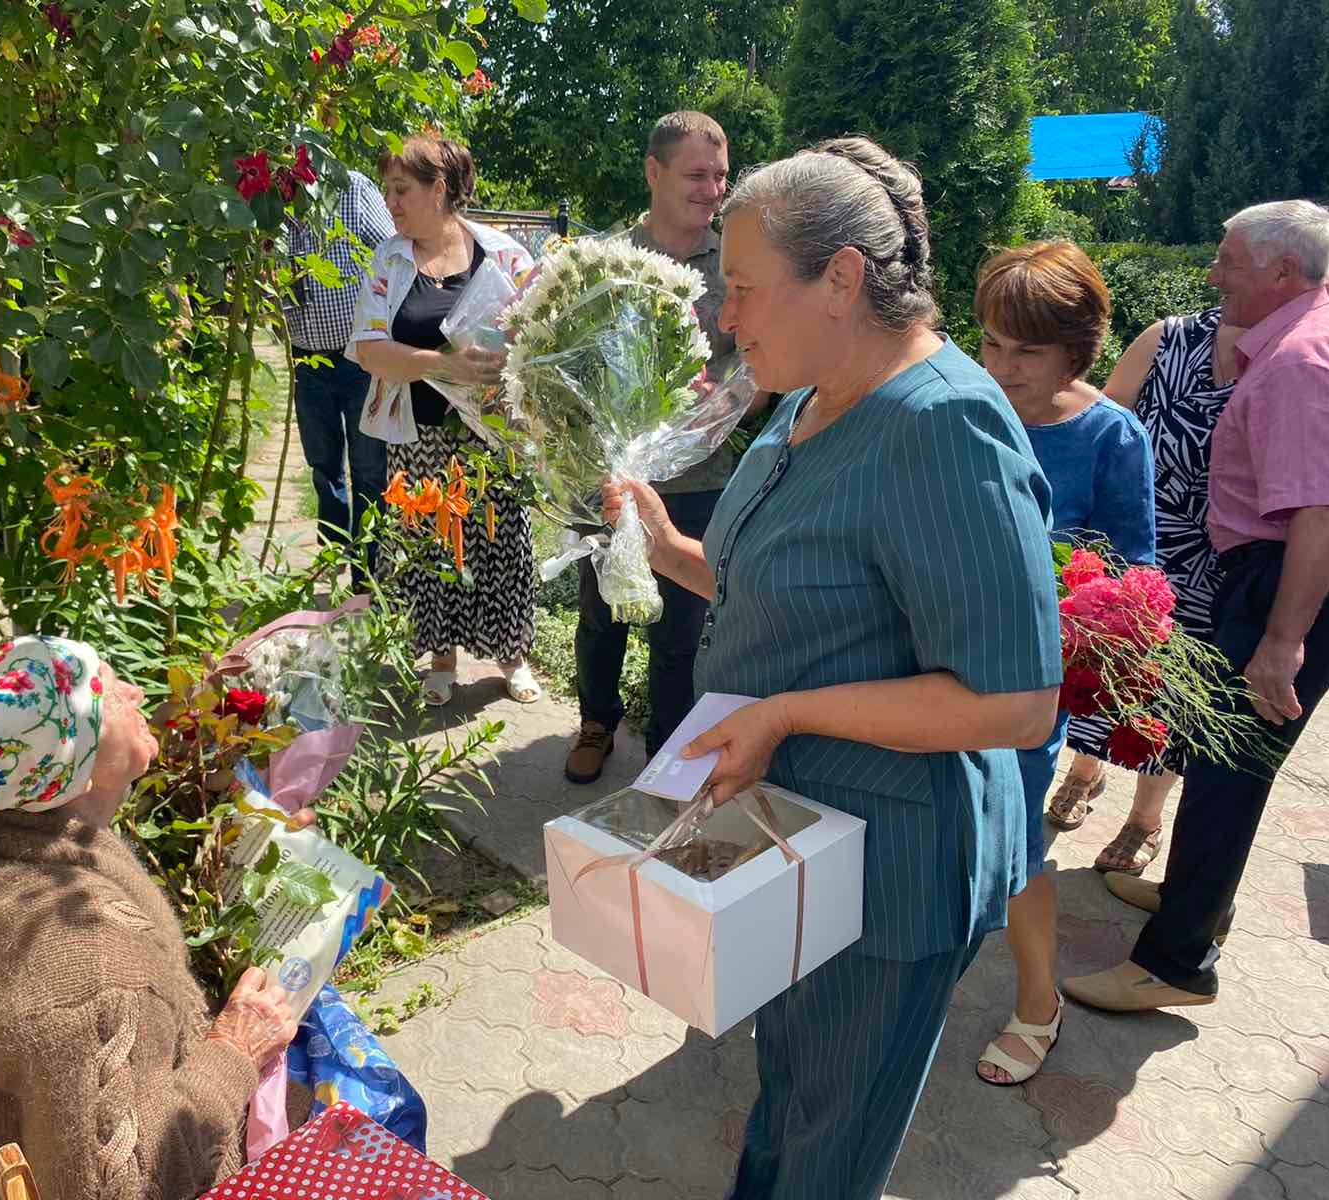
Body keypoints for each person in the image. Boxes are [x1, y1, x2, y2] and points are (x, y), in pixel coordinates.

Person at [603, 137, 1060, 1200]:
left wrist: (784, 714)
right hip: (799, 838)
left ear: (842, 279)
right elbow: (803, 592)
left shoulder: (942, 426)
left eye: (744, 288)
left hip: (891, 869)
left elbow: (1014, 702)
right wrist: (670, 552)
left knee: (831, 1141)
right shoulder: (808, 396)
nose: (725, 317)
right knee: (793, 1091)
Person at [0, 637, 306, 1200]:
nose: (136, 692)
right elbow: (121, 1191)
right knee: (348, 1106)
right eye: (107, 692)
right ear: (65, 767)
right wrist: (234, 1051)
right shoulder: (88, 962)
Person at [1064, 199, 1329, 1013]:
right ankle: (1193, 902)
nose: (1214, 275)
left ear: (1283, 271)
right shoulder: (1298, 335)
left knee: (1228, 776)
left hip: (1281, 582)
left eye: (1230, 261)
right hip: (1267, 574)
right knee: (1220, 761)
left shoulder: (1297, 362)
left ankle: (1176, 965)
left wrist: (1282, 640)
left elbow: (1318, 515)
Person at [971, 241, 1155, 1087]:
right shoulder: (965, 405)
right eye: (991, 344)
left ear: (1076, 352)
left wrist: (1067, 596)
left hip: (1027, 683)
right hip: (935, 663)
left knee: (1015, 843)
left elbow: (1131, 572)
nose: (1003, 367)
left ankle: (1037, 1003)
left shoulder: (1110, 435)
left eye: (1028, 352)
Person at [566, 111, 743, 783]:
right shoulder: (605, 264)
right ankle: (596, 722)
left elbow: (755, 368)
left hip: (700, 477)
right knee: (601, 613)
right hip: (608, 477)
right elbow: (571, 362)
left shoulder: (735, 263)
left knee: (683, 629)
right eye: (697, 175)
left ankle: (668, 755)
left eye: (720, 176)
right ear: (653, 172)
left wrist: (720, 402)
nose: (712, 190)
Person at [347, 135, 541, 707]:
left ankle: (513, 655)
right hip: (421, 437)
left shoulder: (504, 255)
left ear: (439, 190)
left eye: (401, 190)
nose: (391, 203)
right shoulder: (390, 260)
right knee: (430, 544)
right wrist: (443, 363)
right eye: (388, 190)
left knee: (502, 540)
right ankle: (441, 656)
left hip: (494, 434)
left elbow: (544, 335)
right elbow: (370, 351)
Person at [1049, 308, 1241, 874]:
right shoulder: (1169, 337)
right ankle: (1085, 771)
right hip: (1130, 528)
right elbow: (1104, 416)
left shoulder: (1291, 358)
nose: (1217, 270)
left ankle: (1145, 817)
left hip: (1210, 555)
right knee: (1097, 664)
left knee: (1173, 689)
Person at [284, 169, 397, 579]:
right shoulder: (269, 200)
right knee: (324, 467)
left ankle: (367, 576)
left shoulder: (351, 189)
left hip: (360, 360)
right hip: (306, 361)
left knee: (369, 468)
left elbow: (391, 251)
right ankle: (334, 563)